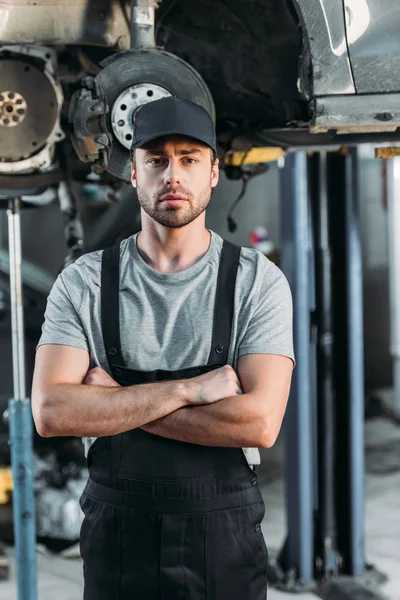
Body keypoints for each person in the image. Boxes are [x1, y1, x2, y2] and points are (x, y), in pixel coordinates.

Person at [32, 96, 294, 599]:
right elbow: (52, 412)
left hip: (223, 544)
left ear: (214, 172)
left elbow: (259, 423)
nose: (172, 175)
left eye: (189, 158)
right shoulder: (83, 282)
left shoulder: (255, 282)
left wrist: (113, 403)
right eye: (156, 160)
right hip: (117, 542)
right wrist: (194, 390)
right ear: (133, 173)